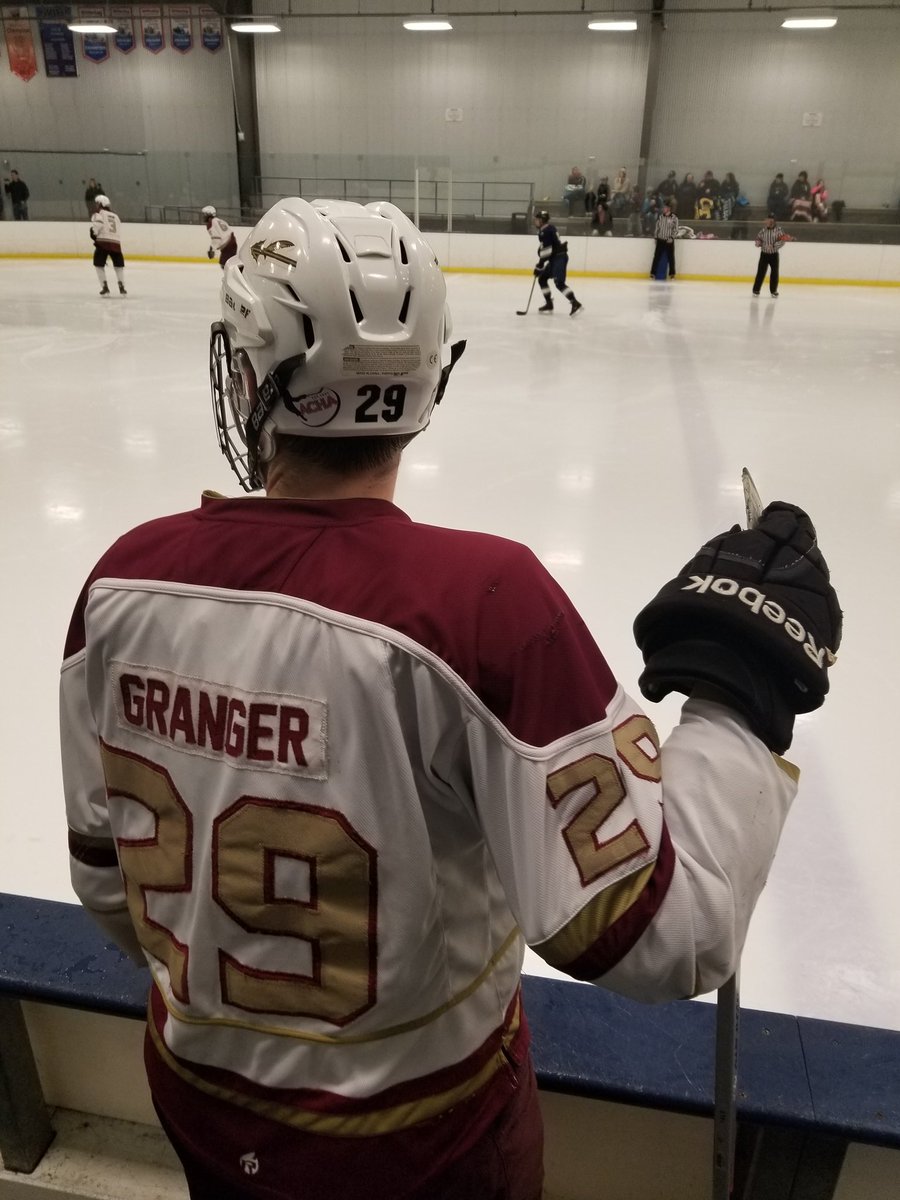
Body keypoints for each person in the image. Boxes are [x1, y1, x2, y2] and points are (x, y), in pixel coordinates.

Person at [60, 196, 841, 1200]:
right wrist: (738, 701)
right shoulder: (485, 606)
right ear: (429, 380)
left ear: (249, 372)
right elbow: (665, 936)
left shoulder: (122, 582)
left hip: (201, 1104)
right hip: (420, 1149)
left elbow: (107, 883)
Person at [533, 208, 582, 314]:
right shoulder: (550, 228)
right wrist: (540, 264)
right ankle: (549, 304)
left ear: (542, 220)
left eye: (537, 219)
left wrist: (540, 265)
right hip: (555, 258)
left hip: (559, 258)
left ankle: (575, 303)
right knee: (542, 279)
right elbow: (548, 248)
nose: (535, 221)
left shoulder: (545, 232)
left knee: (559, 283)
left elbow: (546, 251)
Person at [90, 194, 127, 296]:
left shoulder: (99, 214)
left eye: (97, 203)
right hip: (116, 243)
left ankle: (105, 287)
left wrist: (93, 233)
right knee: (119, 266)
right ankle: (122, 287)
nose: (96, 205)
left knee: (98, 265)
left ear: (100, 204)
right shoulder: (116, 216)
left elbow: (97, 227)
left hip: (103, 243)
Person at [752, 212, 788, 296]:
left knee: (774, 273)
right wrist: (758, 243)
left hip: (774, 255)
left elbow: (783, 240)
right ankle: (756, 290)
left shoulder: (779, 230)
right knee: (761, 272)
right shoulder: (763, 230)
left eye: (771, 220)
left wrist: (774, 246)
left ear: (774, 221)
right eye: (768, 219)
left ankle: (773, 291)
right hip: (764, 254)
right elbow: (758, 238)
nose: (769, 221)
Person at [650, 200, 678, 278]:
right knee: (656, 257)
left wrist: (672, 238)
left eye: (665, 207)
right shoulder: (660, 217)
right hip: (660, 240)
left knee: (671, 257)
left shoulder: (674, 218)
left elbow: (676, 230)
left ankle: (672, 274)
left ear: (669, 208)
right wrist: (656, 237)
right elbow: (657, 228)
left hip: (669, 241)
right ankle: (653, 273)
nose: (663, 209)